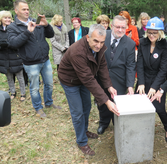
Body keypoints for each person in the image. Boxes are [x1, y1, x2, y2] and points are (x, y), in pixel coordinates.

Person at [58, 24, 119, 156]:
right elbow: (89, 80)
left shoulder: (100, 48)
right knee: (78, 112)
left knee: (86, 106)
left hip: (83, 79)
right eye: (95, 41)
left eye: (102, 42)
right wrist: (106, 101)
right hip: (70, 81)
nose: (99, 45)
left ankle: (84, 130)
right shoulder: (77, 51)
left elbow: (102, 67)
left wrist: (109, 86)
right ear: (87, 37)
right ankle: (81, 142)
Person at [8, 0, 62, 118]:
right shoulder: (13, 27)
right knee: (35, 88)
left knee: (49, 84)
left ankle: (48, 103)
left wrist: (46, 24)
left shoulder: (35, 21)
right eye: (24, 9)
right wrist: (27, 32)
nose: (27, 11)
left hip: (45, 59)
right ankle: (38, 107)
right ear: (16, 11)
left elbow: (50, 35)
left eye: (27, 9)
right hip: (31, 63)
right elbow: (13, 43)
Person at [97, 15, 136, 135]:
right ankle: (103, 122)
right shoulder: (103, 35)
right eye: (117, 27)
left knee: (116, 103)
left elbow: (130, 66)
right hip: (101, 76)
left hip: (119, 79)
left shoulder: (130, 44)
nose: (120, 30)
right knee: (102, 102)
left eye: (123, 27)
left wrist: (130, 85)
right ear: (112, 26)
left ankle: (117, 124)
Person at [136, 17, 167, 143]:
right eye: (149, 32)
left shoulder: (165, 46)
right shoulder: (142, 43)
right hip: (143, 79)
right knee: (139, 106)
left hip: (158, 80)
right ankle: (141, 128)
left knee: (159, 108)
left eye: (154, 33)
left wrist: (154, 87)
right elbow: (139, 64)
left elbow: (163, 70)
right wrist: (141, 83)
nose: (151, 35)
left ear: (160, 33)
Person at [0, 10, 26, 101]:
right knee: (9, 77)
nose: (7, 19)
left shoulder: (14, 28)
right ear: (1, 19)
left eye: (9, 17)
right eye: (5, 17)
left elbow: (19, 41)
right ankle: (13, 91)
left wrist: (9, 44)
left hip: (15, 56)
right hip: (4, 58)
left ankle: (23, 93)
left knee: (20, 76)